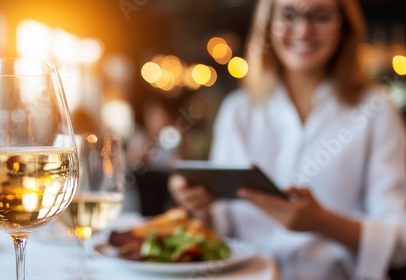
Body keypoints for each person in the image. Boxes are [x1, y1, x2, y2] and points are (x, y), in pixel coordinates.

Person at [168, 0, 406, 279]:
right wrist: (198, 205)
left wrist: (322, 222)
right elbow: (222, 228)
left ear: (344, 25)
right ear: (268, 24)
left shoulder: (376, 107)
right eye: (289, 14)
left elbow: (400, 241)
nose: (303, 31)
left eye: (321, 16)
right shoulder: (238, 109)